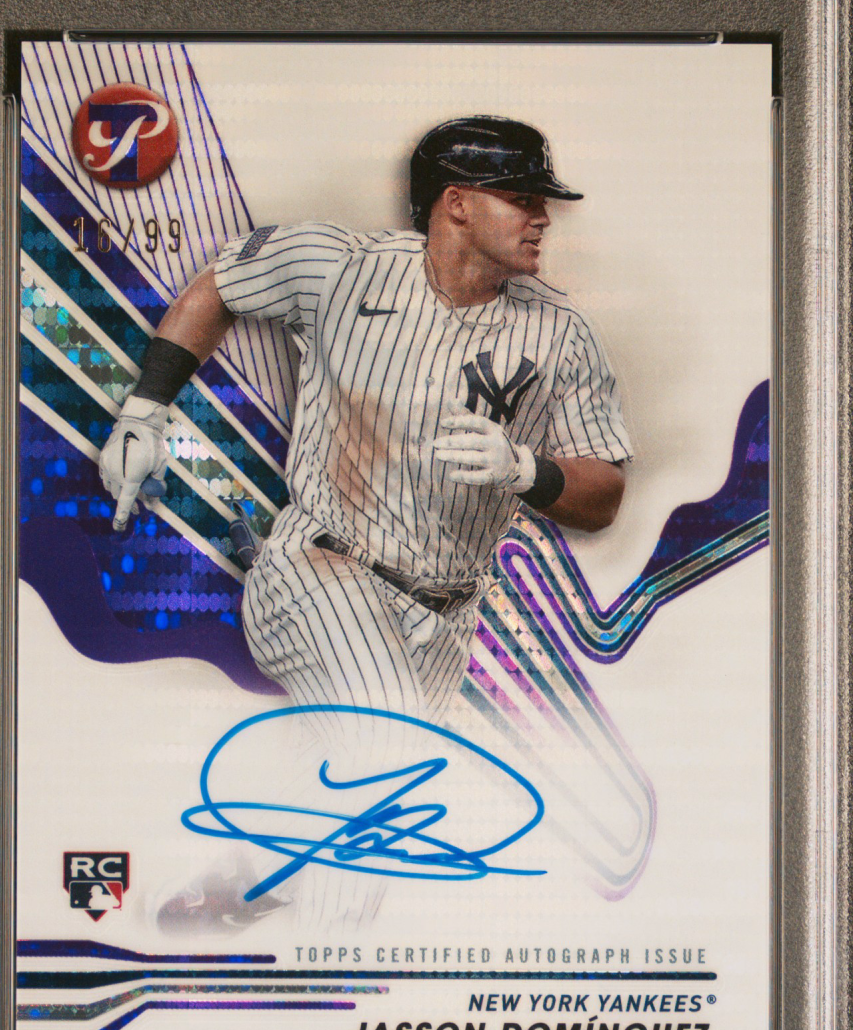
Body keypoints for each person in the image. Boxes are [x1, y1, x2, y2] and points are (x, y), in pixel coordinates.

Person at [100, 115, 632, 726]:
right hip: (321, 572)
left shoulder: (563, 333)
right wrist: (144, 411)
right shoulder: (343, 266)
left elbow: (605, 496)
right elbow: (222, 285)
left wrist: (527, 470)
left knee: (389, 773)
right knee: (385, 740)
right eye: (522, 199)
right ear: (457, 203)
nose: (542, 218)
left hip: (449, 619)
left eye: (542, 202)